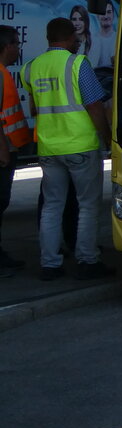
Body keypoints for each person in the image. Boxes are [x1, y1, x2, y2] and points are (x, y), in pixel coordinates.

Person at [23, 17, 113, 281]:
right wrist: (106, 137)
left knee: (52, 206)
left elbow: (34, 108)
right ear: (71, 37)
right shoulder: (77, 64)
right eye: (76, 38)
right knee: (87, 205)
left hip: (49, 148)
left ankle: (50, 264)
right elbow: (94, 106)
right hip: (80, 146)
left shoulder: (31, 68)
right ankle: (87, 260)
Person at [0, 25, 32, 274]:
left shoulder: (4, 73)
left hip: (10, 148)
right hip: (3, 151)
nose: (19, 48)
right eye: (16, 43)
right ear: (6, 46)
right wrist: (3, 151)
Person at [88, 0, 117, 72]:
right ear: (97, 16)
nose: (106, 16)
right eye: (102, 13)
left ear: (113, 14)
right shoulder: (90, 40)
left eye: (109, 12)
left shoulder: (120, 39)